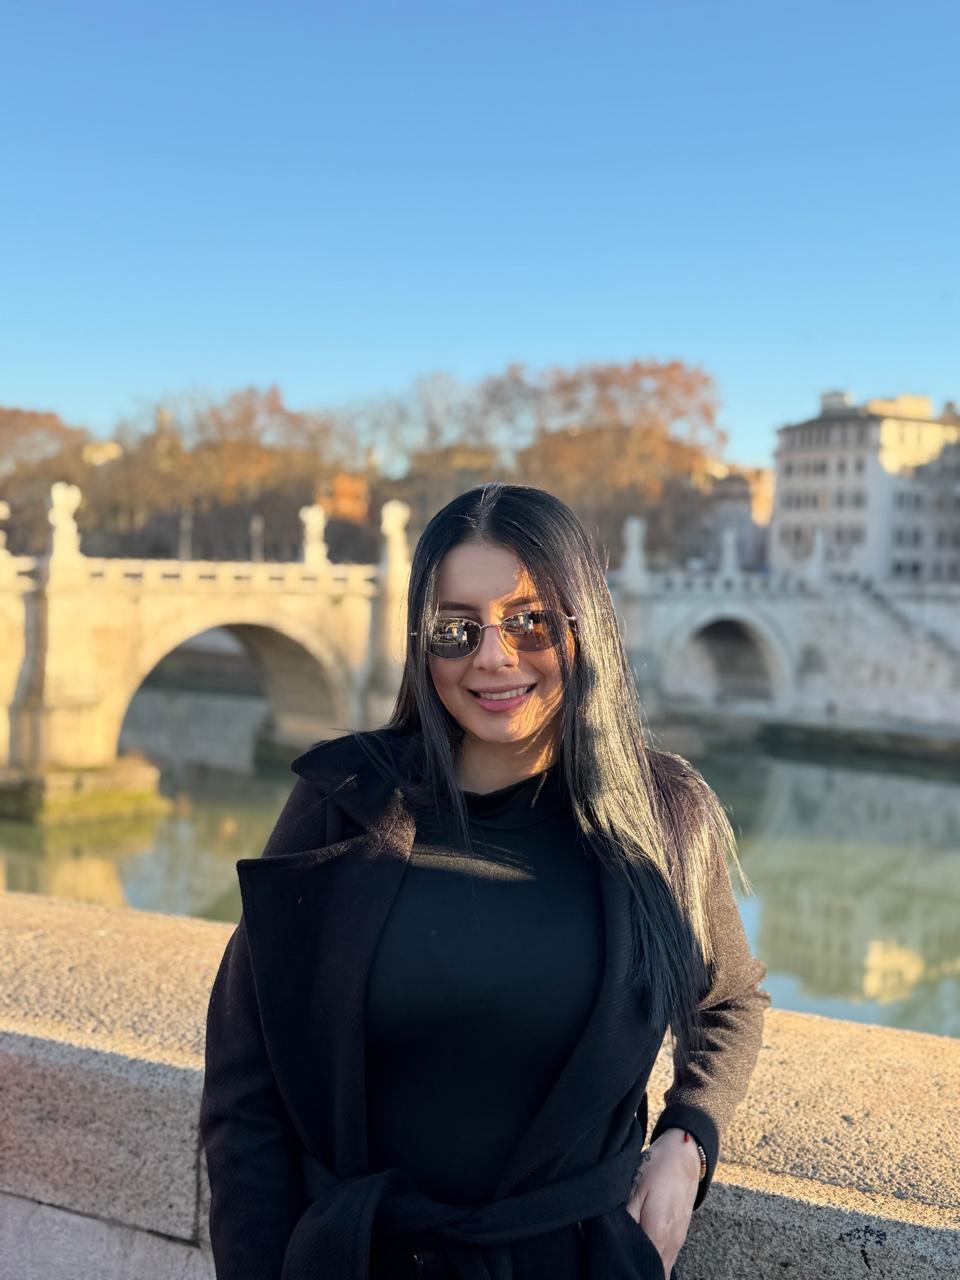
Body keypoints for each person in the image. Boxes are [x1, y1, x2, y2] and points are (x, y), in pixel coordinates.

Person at [199, 482, 770, 1280]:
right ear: (421, 643)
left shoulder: (666, 817)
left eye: (531, 621)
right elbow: (245, 1084)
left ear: (585, 624)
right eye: (455, 629)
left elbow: (729, 1002)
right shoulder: (344, 800)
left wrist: (688, 1138)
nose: (493, 657)